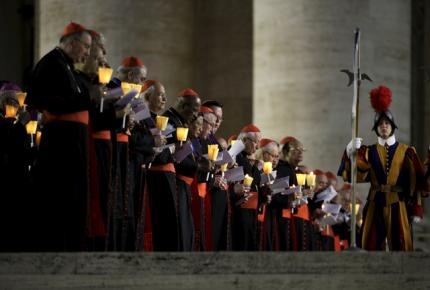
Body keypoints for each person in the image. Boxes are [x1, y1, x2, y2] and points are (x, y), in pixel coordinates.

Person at [26, 22, 92, 251]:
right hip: (60, 145)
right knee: (61, 199)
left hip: (72, 144)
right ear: (72, 43)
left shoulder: (67, 66)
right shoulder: (51, 64)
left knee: (73, 198)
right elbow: (42, 100)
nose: (87, 52)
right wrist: (89, 98)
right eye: (85, 46)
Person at [338, 85, 427, 251]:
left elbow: (417, 183)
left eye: (387, 123)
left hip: (398, 202)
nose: (384, 126)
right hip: (375, 202)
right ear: (376, 128)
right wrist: (349, 153)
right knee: (369, 244)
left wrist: (416, 209)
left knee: (402, 246)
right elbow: (353, 176)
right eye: (380, 124)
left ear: (392, 126)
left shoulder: (407, 151)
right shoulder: (367, 151)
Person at [231, 124, 262, 251]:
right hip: (239, 209)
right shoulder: (233, 153)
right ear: (244, 140)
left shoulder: (244, 156)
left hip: (250, 210)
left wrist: (255, 168)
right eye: (256, 142)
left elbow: (254, 182)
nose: (258, 146)